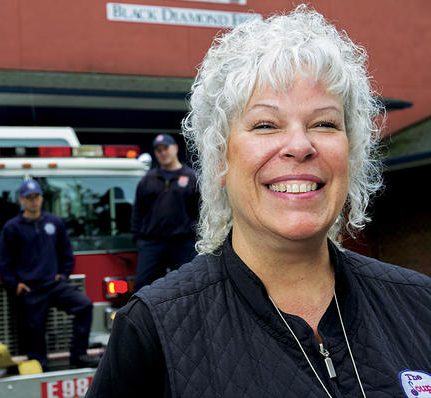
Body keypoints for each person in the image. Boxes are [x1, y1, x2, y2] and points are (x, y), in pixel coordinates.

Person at [88, 5, 431, 397]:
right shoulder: (152, 331)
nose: (300, 146)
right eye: (265, 125)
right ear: (219, 158)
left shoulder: (420, 303)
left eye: (324, 123)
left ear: (351, 154)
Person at [0, 179, 100, 370]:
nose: (33, 201)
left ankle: (78, 355)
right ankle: (40, 366)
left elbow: (66, 253)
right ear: (21, 200)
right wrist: (15, 284)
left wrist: (64, 274)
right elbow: (3, 260)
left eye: (36, 196)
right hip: (30, 289)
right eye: (29, 198)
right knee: (34, 331)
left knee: (84, 305)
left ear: (42, 198)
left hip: (54, 284)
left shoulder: (54, 222)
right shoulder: (12, 227)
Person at [131, 133, 199, 292]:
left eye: (166, 148)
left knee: (189, 288)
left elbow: (202, 211)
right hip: (152, 244)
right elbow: (138, 212)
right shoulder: (147, 180)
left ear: (175, 149)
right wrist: (138, 239)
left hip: (183, 244)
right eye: (158, 150)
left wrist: (196, 238)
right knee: (142, 288)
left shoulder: (191, 178)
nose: (163, 153)